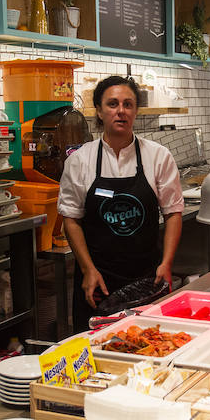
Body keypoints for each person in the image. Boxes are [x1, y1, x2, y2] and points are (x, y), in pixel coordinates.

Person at [58, 76, 184, 332]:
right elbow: (71, 219)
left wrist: (167, 264)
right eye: (112, 104)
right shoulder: (80, 160)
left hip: (147, 275)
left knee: (149, 347)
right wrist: (87, 269)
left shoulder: (158, 156)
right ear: (100, 111)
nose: (121, 111)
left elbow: (173, 212)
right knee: (95, 349)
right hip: (98, 279)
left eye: (128, 104)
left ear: (136, 111)